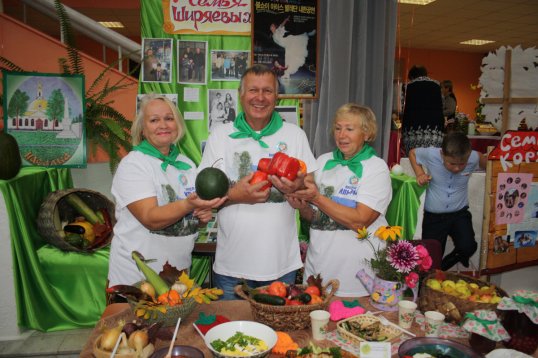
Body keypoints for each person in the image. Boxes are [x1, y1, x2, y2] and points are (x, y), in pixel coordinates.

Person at [198, 64, 318, 300]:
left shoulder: (294, 135)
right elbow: (204, 197)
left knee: (280, 335)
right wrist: (235, 196)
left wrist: (298, 192)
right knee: (233, 335)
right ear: (241, 95)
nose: (260, 98)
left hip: (281, 265)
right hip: (231, 267)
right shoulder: (220, 136)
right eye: (253, 90)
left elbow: (311, 189)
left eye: (268, 91)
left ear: (277, 96)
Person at [108, 94, 226, 286]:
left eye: (169, 118)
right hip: (136, 279)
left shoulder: (186, 165)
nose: (163, 125)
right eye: (154, 120)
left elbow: (187, 222)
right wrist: (188, 205)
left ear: (177, 125)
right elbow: (151, 219)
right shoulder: (134, 164)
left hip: (178, 276)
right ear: (143, 130)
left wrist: (200, 217)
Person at [286, 104, 392, 297]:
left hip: (359, 278)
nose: (341, 135)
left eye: (349, 129)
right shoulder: (321, 162)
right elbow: (315, 217)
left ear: (367, 134)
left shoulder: (376, 168)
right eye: (337, 128)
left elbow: (360, 221)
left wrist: (317, 198)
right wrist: (301, 207)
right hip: (318, 271)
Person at [408, 131, 487, 271]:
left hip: (459, 214)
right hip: (434, 217)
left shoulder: (474, 157)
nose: (457, 168)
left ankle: (444, 266)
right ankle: (432, 274)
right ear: (442, 154)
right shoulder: (431, 154)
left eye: (462, 164)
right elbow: (413, 153)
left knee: (469, 246)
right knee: (431, 256)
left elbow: (486, 161)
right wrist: (419, 173)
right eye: (452, 163)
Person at [401, 65, 444, 156]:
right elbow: (442, 104)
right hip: (435, 129)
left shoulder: (408, 86)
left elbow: (401, 106)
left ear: (412, 76)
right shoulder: (437, 85)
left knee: (413, 158)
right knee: (433, 157)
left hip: (413, 129)